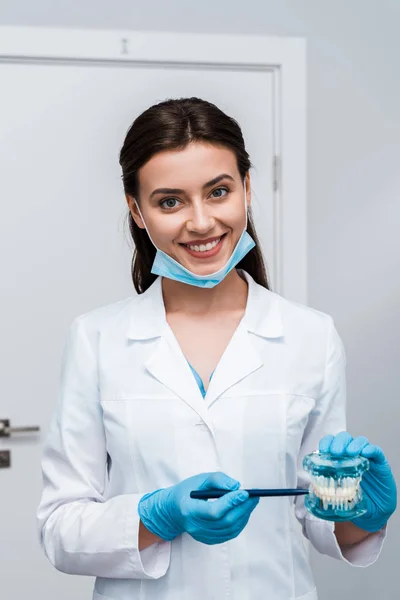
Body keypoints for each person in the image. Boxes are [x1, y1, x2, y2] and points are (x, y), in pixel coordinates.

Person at [37, 97, 397, 600]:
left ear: (247, 190)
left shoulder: (310, 336)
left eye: (219, 191)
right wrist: (157, 514)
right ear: (137, 211)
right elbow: (60, 529)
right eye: (170, 201)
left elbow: (320, 518)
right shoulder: (96, 339)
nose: (202, 222)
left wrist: (359, 509)